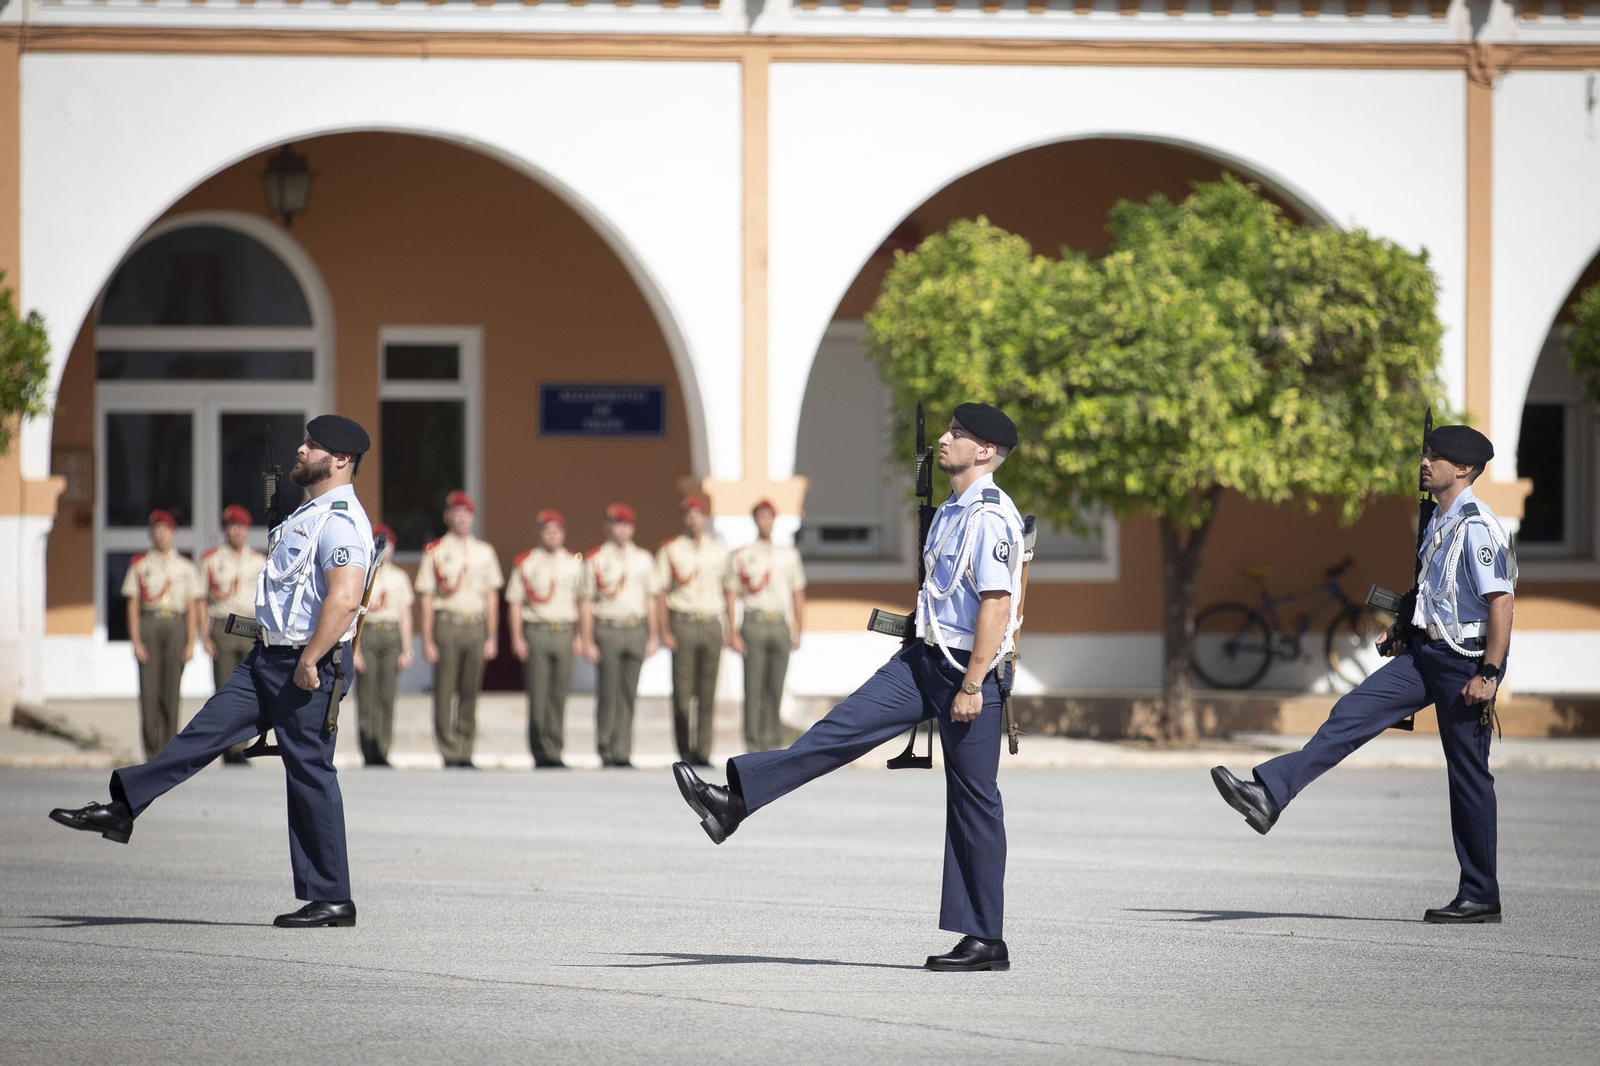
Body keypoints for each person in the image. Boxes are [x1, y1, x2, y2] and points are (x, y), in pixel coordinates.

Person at [673, 403, 1027, 971]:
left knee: (973, 801)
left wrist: (975, 683)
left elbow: (996, 603)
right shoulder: (949, 512)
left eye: (957, 434)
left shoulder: (990, 516)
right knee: (838, 730)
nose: (944, 439)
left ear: (984, 452)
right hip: (923, 660)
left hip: (970, 671)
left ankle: (985, 939)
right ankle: (737, 800)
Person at [50, 415, 375, 927]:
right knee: (201, 734)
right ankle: (124, 806)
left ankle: (333, 898)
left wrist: (311, 659)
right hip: (269, 657)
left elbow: (346, 597)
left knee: (310, 773)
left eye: (312, 445)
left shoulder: (339, 520)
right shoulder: (307, 514)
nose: (301, 448)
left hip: (306, 664)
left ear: (340, 459)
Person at [1211, 424, 1516, 925]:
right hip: (1422, 656)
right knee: (1350, 713)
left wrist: (1490, 672)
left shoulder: (1477, 525)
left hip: (1464, 664)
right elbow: (1430, 591)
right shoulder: (1436, 519)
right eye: (1425, 452)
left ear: (1463, 468)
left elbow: (1500, 601)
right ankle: (1269, 794)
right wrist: (1402, 628)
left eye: (1436, 456)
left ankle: (1481, 894)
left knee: (1468, 778)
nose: (1424, 461)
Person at [416, 491, 503, 769]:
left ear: (472, 517)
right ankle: (449, 749)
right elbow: (427, 598)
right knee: (445, 689)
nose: (462, 518)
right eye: (457, 512)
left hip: (475, 626)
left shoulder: (485, 552)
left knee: (470, 689)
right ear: (448, 516)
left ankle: (466, 748)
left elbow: (491, 597)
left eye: (467, 513)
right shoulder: (436, 551)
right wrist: (427, 638)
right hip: (448, 625)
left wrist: (492, 635)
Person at [577, 503, 662, 768]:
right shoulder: (596, 558)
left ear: (632, 527)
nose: (622, 528)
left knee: (628, 692)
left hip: (635, 628)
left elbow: (652, 600)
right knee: (608, 691)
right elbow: (586, 602)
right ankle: (606, 747)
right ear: (607, 527)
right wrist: (587, 638)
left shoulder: (644, 559)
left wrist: (654, 635)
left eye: (626, 524)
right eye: (616, 523)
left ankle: (623, 750)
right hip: (608, 628)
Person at [656, 496, 733, 767]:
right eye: (688, 514)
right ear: (682, 518)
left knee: (708, 691)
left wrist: (730, 629)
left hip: (711, 623)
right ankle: (684, 750)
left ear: (706, 517)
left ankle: (703, 751)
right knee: (682, 693)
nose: (693, 519)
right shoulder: (671, 550)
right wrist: (664, 630)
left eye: (698, 514)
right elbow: (661, 592)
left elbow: (729, 591)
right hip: (684, 622)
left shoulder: (720, 551)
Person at [122, 509, 205, 760]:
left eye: (166, 530)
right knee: (149, 691)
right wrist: (136, 641)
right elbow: (133, 605)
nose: (161, 534)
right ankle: (150, 750)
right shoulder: (140, 566)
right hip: (151, 623)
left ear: (173, 533)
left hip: (176, 624)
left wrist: (191, 642)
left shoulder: (186, 567)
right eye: (157, 530)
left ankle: (168, 751)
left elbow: (192, 606)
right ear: (151, 534)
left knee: (171, 690)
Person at [726, 499, 807, 753]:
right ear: (755, 521)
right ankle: (753, 743)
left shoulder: (789, 555)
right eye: (761, 517)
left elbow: (798, 593)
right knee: (754, 686)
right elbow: (731, 594)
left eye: (769, 517)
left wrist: (799, 629)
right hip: (754, 623)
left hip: (780, 624)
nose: (766, 522)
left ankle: (772, 742)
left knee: (775, 685)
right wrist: (733, 631)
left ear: (775, 521)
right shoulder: (743, 556)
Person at [507, 510, 585, 768]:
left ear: (563, 533)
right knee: (538, 694)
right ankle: (540, 751)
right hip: (537, 631)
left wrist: (581, 635)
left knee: (559, 695)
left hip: (564, 630)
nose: (552, 535)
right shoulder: (527, 562)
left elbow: (582, 602)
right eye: (547, 530)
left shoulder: (575, 563)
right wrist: (518, 638)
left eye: (556, 530)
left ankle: (556, 749)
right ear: (540, 533)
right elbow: (516, 603)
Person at [201, 504, 267, 765]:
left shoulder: (259, 561)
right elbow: (200, 600)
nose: (237, 531)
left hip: (251, 627)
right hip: (224, 626)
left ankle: (240, 748)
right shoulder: (212, 560)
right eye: (232, 526)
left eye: (241, 526)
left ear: (247, 529)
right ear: (225, 529)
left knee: (251, 691)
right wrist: (204, 636)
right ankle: (227, 749)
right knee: (225, 690)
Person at [353, 524, 413, 768]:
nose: (383, 548)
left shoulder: (400, 577)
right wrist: (354, 649)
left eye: (387, 544)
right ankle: (368, 750)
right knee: (366, 697)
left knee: (387, 697)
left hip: (390, 636)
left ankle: (384, 749)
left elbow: (405, 614)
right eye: (379, 542)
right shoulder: (361, 574)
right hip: (367, 635)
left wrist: (407, 648)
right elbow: (353, 614)